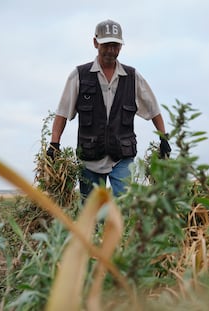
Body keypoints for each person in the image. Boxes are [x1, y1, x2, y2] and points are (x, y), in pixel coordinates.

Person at [47, 19, 171, 200]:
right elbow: (62, 113)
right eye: (106, 45)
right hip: (89, 158)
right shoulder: (79, 75)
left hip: (122, 157)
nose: (111, 50)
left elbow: (153, 109)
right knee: (91, 215)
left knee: (125, 210)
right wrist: (54, 144)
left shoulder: (132, 77)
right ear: (95, 42)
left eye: (115, 45)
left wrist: (164, 138)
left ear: (121, 46)